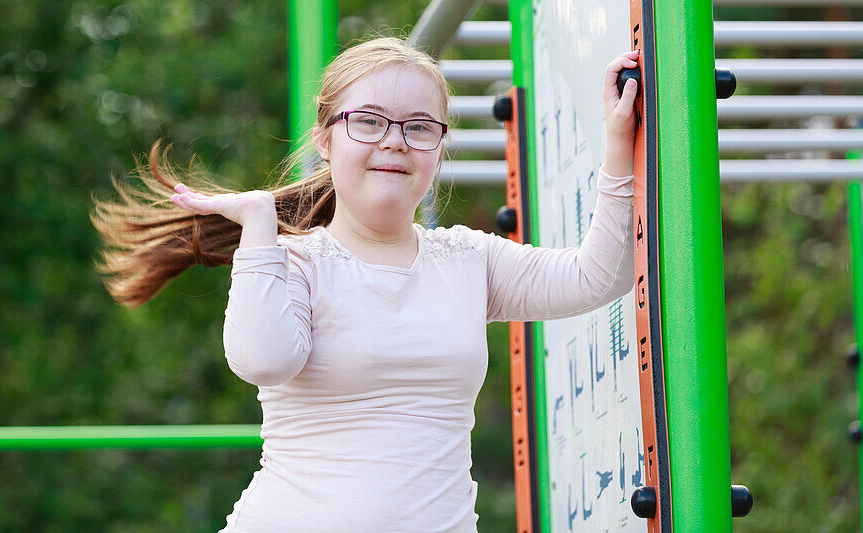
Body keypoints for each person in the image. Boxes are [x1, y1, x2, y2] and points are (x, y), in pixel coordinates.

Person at [91, 37, 640, 533]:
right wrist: (258, 232)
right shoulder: (294, 262)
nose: (395, 142)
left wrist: (619, 139)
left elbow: (600, 276)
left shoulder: (468, 260)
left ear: (438, 147)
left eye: (419, 126)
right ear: (325, 140)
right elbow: (262, 361)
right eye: (369, 121)